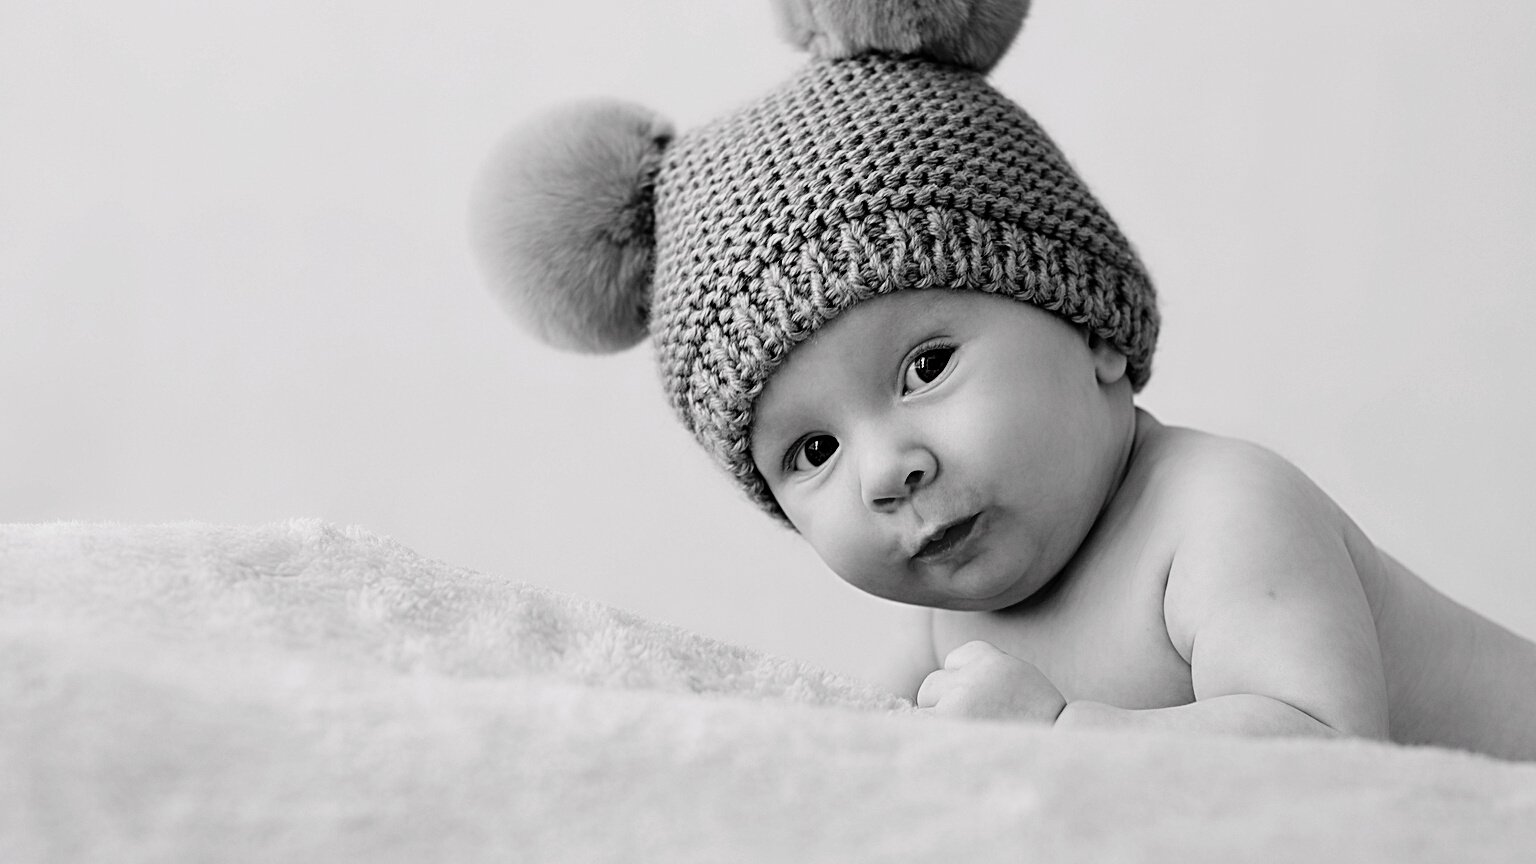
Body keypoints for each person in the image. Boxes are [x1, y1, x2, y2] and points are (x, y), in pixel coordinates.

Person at [469, 0, 1536, 760]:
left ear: (1093, 330)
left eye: (925, 367)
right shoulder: (956, 626)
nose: (886, 470)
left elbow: (1335, 759)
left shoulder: (1221, 513)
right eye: (813, 451)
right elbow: (852, 750)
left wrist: (1067, 735)